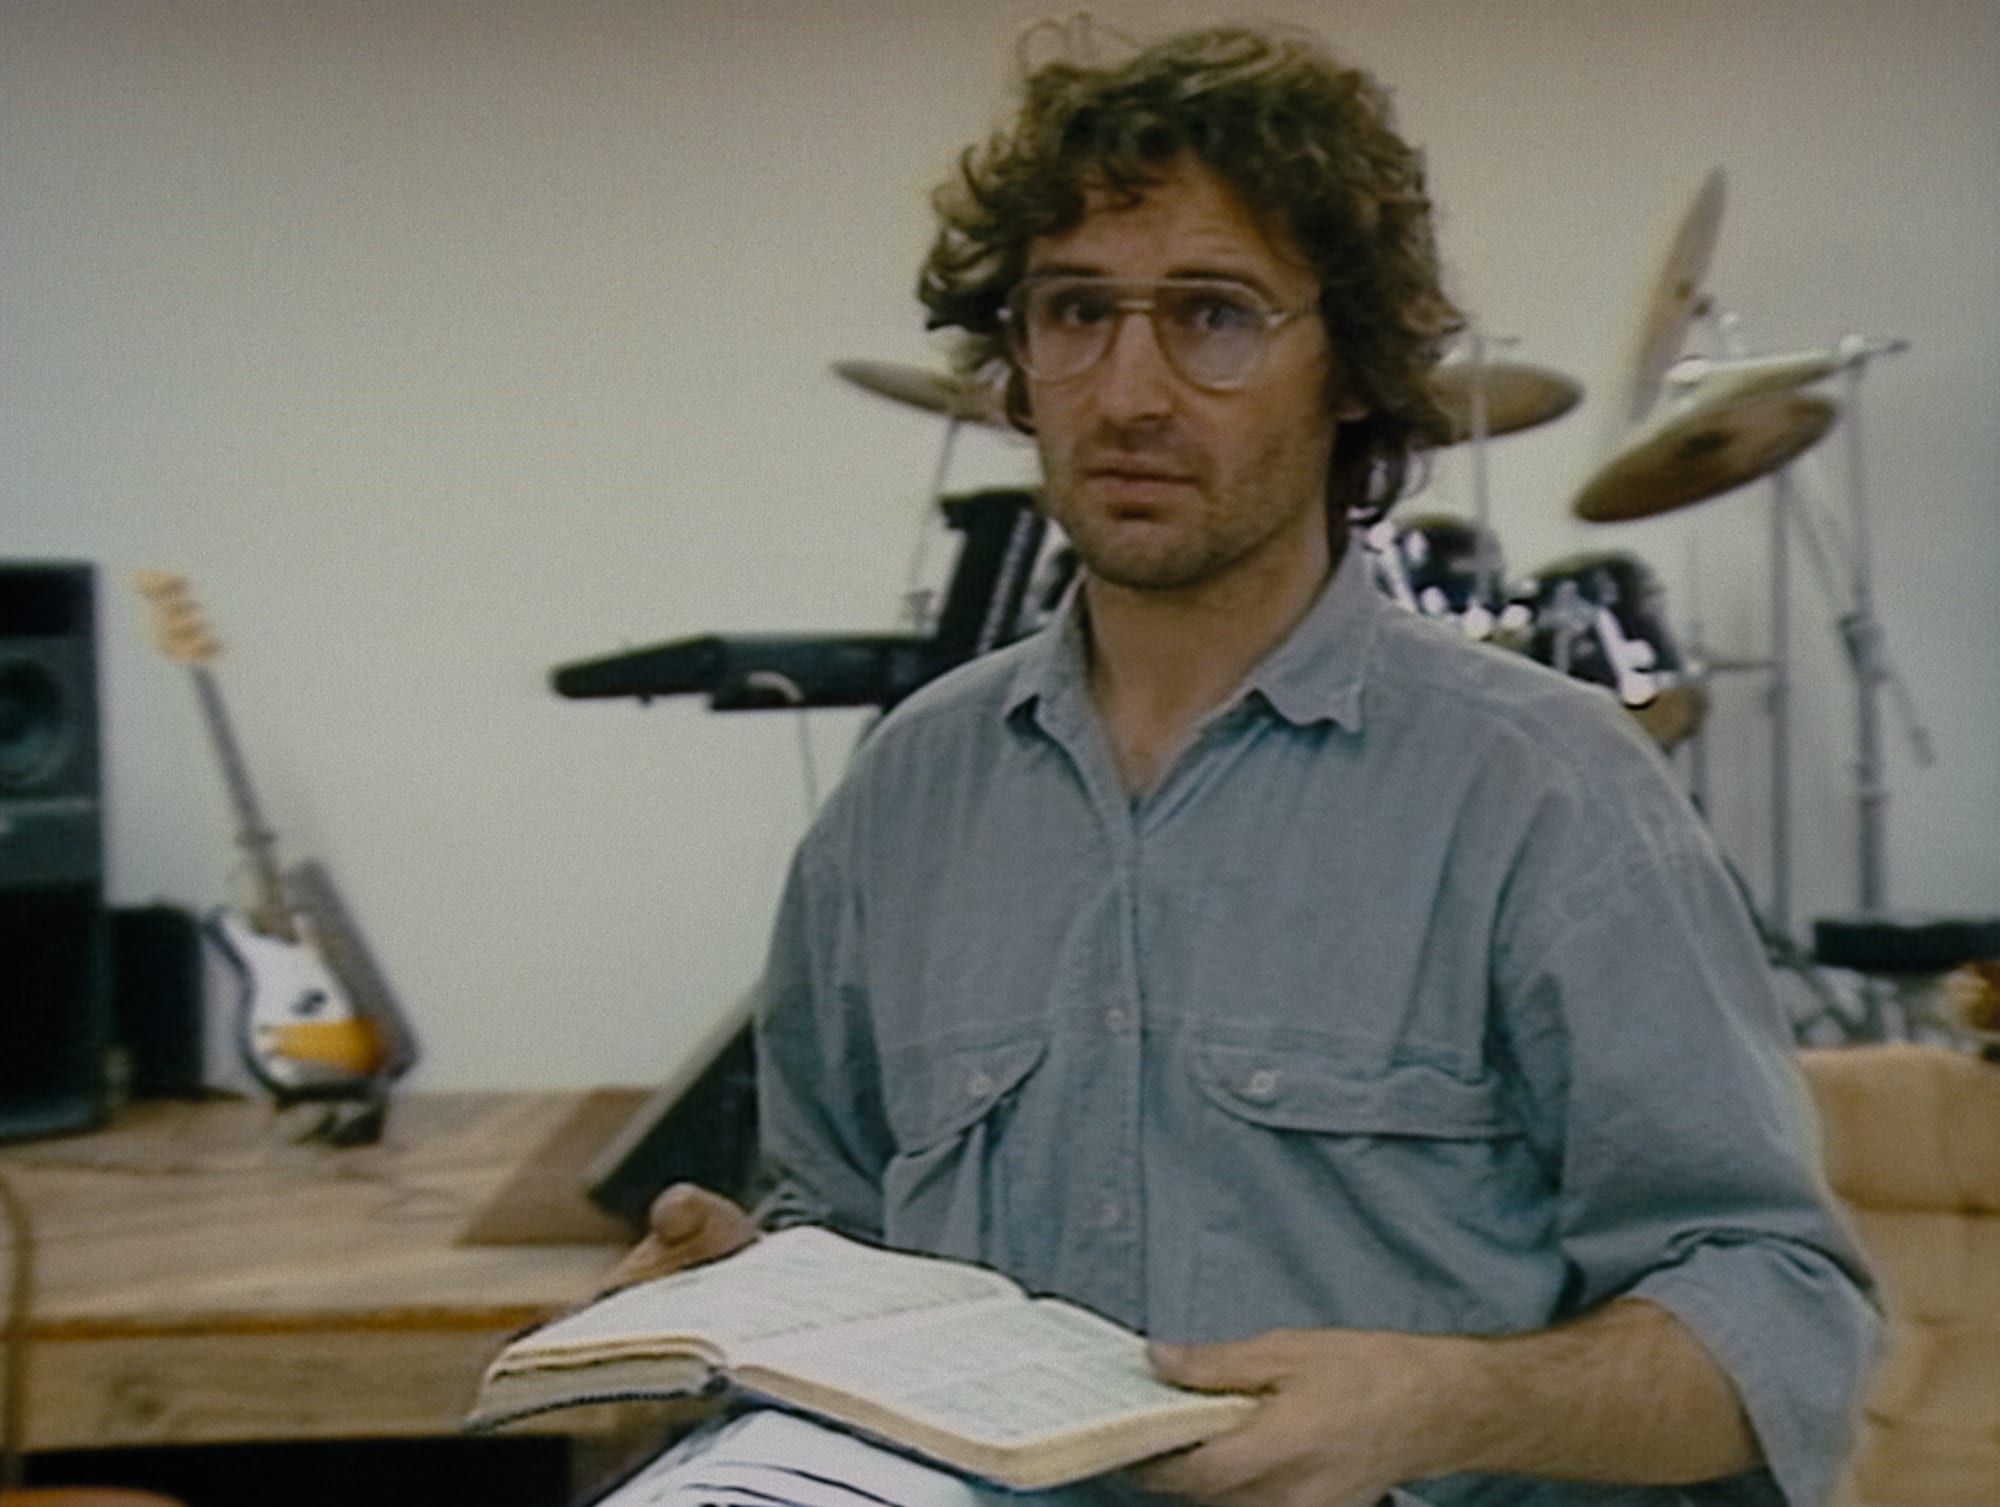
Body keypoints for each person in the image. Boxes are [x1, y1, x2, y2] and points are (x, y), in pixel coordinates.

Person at [610, 21, 1878, 1507]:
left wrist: (1452, 1403)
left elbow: (1785, 1324)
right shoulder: (906, 799)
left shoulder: (1546, 790)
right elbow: (838, 1237)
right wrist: (749, 1299)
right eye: (1076, 312)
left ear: (1348, 369)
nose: (1128, 392)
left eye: (1212, 316)